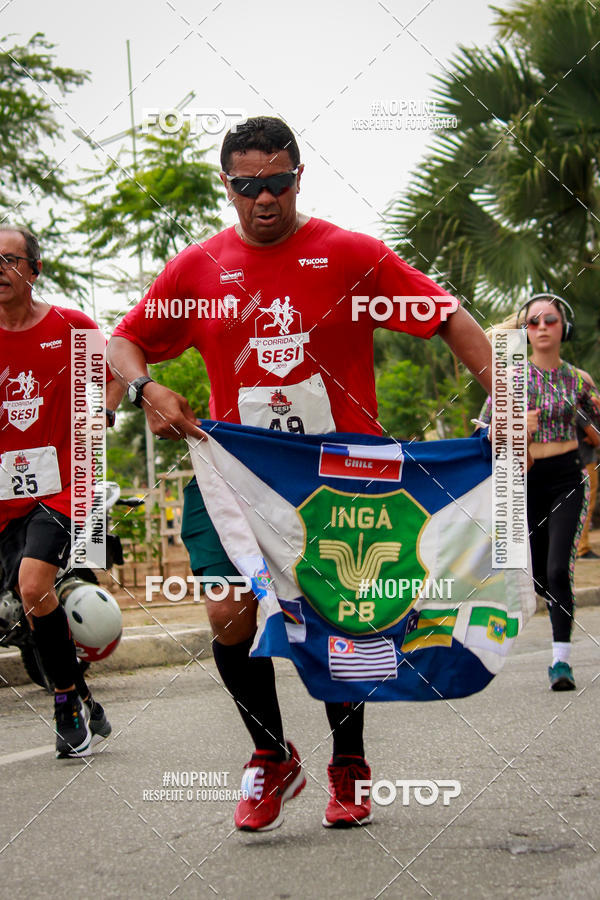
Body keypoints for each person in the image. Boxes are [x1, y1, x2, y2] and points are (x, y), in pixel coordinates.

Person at [108, 116, 493, 831]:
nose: (264, 198)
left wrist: (510, 396)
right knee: (226, 611)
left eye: (278, 182)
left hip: (340, 480)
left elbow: (447, 316)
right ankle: (270, 754)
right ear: (226, 186)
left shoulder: (350, 255)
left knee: (338, 616)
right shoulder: (197, 269)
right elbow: (123, 341)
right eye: (247, 185)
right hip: (236, 473)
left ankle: (348, 762)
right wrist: (144, 388)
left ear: (298, 178)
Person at [0, 226, 123, 757]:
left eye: (9, 259)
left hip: (63, 488)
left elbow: (116, 374)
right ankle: (85, 698)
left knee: (33, 586)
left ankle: (65, 703)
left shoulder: (72, 328)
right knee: (29, 602)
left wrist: (104, 412)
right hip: (5, 495)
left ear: (35, 269)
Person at [480, 294, 600, 691]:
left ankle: (560, 662)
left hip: (567, 479)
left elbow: (597, 429)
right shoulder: (511, 378)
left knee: (558, 569)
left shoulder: (579, 380)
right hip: (523, 482)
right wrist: (513, 425)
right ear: (525, 331)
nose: (543, 327)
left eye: (551, 320)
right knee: (537, 577)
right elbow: (482, 430)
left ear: (565, 328)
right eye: (534, 322)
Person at [576, 371, 600, 559]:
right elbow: (596, 438)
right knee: (587, 504)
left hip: (576, 461)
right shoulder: (580, 413)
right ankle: (582, 547)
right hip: (586, 461)